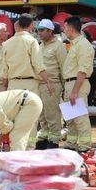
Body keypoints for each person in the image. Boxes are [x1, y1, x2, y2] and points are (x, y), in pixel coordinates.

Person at [2, 13, 53, 148]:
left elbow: (4, 71)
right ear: (31, 26)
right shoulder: (31, 41)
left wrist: (4, 89)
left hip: (13, 85)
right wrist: (48, 82)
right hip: (29, 85)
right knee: (31, 118)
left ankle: (14, 148)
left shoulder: (7, 43)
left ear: (18, 25)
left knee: (13, 119)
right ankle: (29, 149)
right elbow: (38, 65)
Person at [62, 16, 95, 151]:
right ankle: (71, 143)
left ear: (70, 29)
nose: (64, 31)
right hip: (71, 84)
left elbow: (82, 71)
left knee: (80, 118)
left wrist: (75, 91)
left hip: (77, 84)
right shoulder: (75, 44)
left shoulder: (83, 45)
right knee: (71, 119)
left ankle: (84, 146)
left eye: (64, 28)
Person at [36, 19, 67, 149]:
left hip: (52, 84)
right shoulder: (40, 45)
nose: (40, 33)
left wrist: (65, 88)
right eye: (38, 30)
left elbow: (64, 67)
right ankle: (44, 138)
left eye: (42, 30)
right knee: (41, 114)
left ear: (50, 31)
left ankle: (53, 141)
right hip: (39, 84)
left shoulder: (58, 46)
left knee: (52, 114)